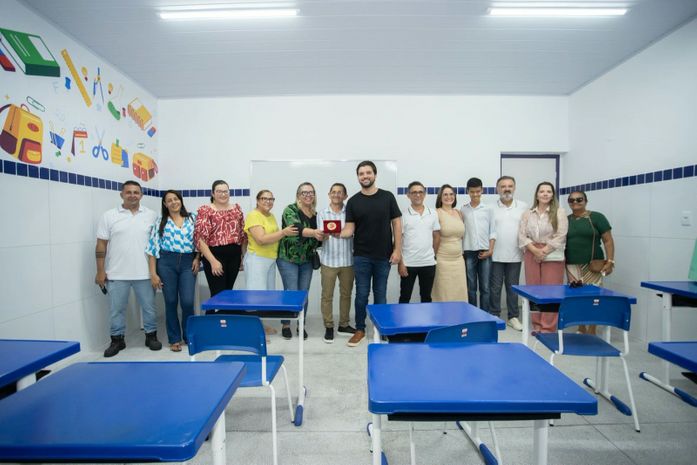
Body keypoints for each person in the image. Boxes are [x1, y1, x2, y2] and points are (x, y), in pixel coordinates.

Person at [95, 180, 161, 357]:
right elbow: (101, 245)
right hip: (116, 273)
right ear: (121, 194)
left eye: (136, 192)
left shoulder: (152, 215)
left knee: (149, 308)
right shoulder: (109, 216)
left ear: (141, 195)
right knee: (116, 310)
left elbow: (156, 245)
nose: (132, 195)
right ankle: (117, 340)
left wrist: (155, 272)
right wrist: (100, 271)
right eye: (129, 192)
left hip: (145, 272)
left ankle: (151, 336)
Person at [341, 161, 402, 347]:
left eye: (368, 172)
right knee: (361, 294)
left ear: (375, 175)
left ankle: (381, 328)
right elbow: (349, 229)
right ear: (358, 177)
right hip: (361, 256)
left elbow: (397, 223)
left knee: (380, 294)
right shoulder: (353, 202)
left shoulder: (387, 197)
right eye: (361, 173)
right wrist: (333, 232)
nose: (365, 176)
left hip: (384, 255)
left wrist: (397, 250)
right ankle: (360, 329)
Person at [146, 190, 199, 352]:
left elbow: (200, 241)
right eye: (169, 200)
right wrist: (153, 274)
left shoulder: (192, 218)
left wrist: (197, 258)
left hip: (188, 262)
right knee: (170, 301)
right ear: (165, 204)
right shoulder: (160, 221)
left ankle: (189, 336)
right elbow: (152, 249)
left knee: (188, 302)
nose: (173, 202)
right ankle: (174, 338)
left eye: (176, 199)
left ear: (181, 200)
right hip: (166, 263)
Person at [518, 181, 568, 333]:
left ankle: (548, 326)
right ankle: (537, 324)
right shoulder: (528, 213)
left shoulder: (559, 212)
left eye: (548, 191)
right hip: (531, 252)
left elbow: (561, 235)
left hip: (552, 253)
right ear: (537, 195)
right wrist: (534, 250)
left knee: (551, 290)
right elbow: (521, 235)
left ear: (553, 195)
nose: (545, 194)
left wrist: (543, 251)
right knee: (533, 289)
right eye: (542, 191)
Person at [277, 182, 324, 340]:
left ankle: (301, 325)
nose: (308, 195)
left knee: (304, 293)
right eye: (304, 192)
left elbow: (317, 241)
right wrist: (315, 232)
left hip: (307, 260)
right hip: (288, 259)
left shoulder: (316, 214)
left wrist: (324, 236)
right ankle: (286, 324)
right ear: (298, 195)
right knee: (291, 292)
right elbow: (296, 228)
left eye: (311, 192)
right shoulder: (290, 210)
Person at [565, 190, 615, 334]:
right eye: (571, 200)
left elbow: (608, 240)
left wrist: (610, 261)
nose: (575, 202)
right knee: (576, 297)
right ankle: (581, 326)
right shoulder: (566, 220)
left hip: (593, 264)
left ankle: (592, 328)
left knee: (594, 297)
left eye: (579, 199)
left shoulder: (597, 217)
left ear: (586, 201)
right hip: (572, 264)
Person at [317, 183, 356, 343]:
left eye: (340, 192)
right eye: (333, 192)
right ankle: (329, 326)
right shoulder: (322, 213)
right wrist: (323, 235)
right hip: (328, 260)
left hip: (348, 260)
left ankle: (344, 324)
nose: (336, 194)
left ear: (345, 196)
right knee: (327, 296)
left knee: (346, 294)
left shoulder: (351, 212)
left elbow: (354, 232)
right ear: (329, 194)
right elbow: (320, 234)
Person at [194, 180, 246, 297]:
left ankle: (225, 310)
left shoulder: (237, 210)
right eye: (219, 191)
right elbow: (200, 239)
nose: (223, 194)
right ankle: (214, 310)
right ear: (213, 193)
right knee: (218, 294)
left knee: (228, 292)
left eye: (225, 191)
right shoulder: (205, 211)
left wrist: (243, 257)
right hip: (214, 255)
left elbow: (242, 236)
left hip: (234, 256)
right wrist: (213, 261)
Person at [489, 176, 528, 331]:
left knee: (513, 288)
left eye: (510, 186)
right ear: (497, 189)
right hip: (495, 255)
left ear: (514, 188)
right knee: (495, 288)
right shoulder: (490, 208)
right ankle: (495, 315)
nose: (507, 189)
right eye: (503, 186)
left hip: (515, 254)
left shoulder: (523, 207)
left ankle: (513, 317)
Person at [244, 190, 298, 291]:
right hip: (257, 260)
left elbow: (274, 236)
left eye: (271, 199)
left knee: (269, 294)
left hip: (271, 259)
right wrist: (283, 232)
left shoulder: (271, 216)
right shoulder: (254, 215)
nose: (268, 201)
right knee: (256, 295)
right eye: (264, 198)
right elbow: (261, 240)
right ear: (257, 200)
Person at [399, 181, 440, 303]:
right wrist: (401, 263)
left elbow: (437, 236)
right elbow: (398, 240)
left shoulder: (433, 213)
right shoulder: (403, 215)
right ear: (408, 195)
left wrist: (433, 255)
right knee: (405, 298)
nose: (418, 195)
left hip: (428, 263)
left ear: (425, 194)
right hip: (408, 264)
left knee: (426, 298)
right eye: (414, 192)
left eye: (420, 192)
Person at [461, 177, 495, 311]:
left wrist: (490, 250)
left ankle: (485, 314)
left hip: (485, 251)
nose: (475, 194)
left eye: (478, 191)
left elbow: (493, 231)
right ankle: (473, 314)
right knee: (471, 287)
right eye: (472, 192)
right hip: (469, 252)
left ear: (482, 190)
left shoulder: (488, 209)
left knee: (485, 287)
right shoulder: (463, 209)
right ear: (467, 191)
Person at [432, 184, 468, 302]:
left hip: (458, 260)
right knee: (443, 292)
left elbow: (461, 236)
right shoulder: (436, 213)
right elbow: (433, 236)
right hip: (442, 260)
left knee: (459, 292)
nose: (449, 197)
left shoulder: (459, 213)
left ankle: (460, 314)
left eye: (451, 194)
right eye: (445, 194)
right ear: (440, 197)